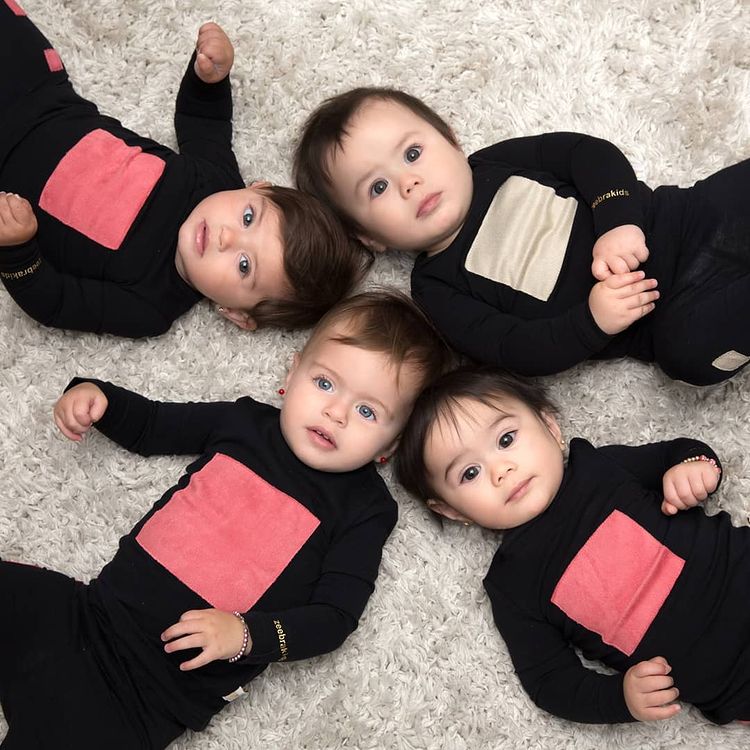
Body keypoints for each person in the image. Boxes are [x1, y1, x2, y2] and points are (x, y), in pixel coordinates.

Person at [0, 289, 453, 748]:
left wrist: (245, 635)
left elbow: (333, 618)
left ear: (389, 446)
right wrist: (101, 399)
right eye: (324, 383)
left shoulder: (365, 508)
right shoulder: (244, 422)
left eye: (367, 411)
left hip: (142, 699)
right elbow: (154, 424)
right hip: (85, 616)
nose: (336, 413)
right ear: (292, 373)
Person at [293, 87, 750, 385]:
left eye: (412, 153)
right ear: (369, 237)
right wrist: (591, 321)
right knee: (687, 355)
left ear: (450, 138)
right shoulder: (436, 290)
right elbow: (514, 349)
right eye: (377, 187)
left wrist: (617, 220)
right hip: (664, 316)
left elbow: (587, 154)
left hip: (684, 220)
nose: (408, 182)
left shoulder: (494, 163)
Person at [394, 365, 750, 725]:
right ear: (452, 510)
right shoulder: (512, 583)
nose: (501, 471)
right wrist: (620, 699)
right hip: (731, 681)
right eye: (469, 473)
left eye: (506, 440)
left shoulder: (600, 467)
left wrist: (694, 469)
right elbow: (549, 681)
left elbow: (676, 453)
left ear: (550, 426)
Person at [0, 6, 365, 337]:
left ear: (238, 314)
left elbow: (55, 302)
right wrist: (210, 78)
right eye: (249, 217)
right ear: (258, 188)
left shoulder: (148, 307)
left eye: (243, 266)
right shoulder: (216, 180)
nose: (227, 237)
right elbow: (201, 119)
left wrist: (18, 250)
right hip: (41, 96)